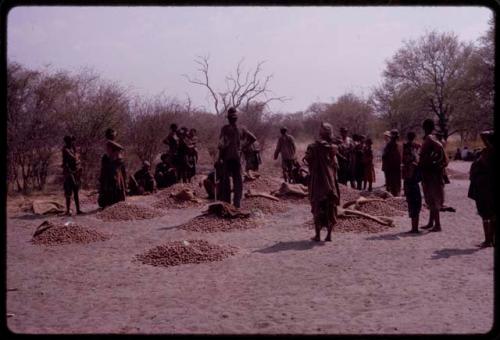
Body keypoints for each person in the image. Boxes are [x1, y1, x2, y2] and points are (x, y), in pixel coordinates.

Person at [304, 122, 340, 242]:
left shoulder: (313, 147)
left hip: (318, 181)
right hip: (330, 181)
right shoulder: (333, 148)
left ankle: (318, 235)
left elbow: (308, 160)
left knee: (317, 207)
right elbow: (336, 165)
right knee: (330, 207)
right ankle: (329, 235)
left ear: (321, 132)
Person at [419, 119, 448, 232]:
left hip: (432, 173)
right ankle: (431, 222)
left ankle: (438, 225)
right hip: (429, 172)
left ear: (424, 127)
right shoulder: (432, 138)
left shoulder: (430, 138)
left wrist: (433, 162)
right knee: (430, 198)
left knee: (433, 197)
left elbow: (440, 148)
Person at [468, 130, 495, 247]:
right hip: (487, 186)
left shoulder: (489, 152)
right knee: (492, 214)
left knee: (486, 215)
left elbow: (483, 134)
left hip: (485, 187)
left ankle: (488, 240)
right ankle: (491, 239)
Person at [218, 107, 244, 208]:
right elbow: (252, 138)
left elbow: (221, 145)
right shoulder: (241, 128)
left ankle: (227, 203)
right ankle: (237, 204)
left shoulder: (225, 129)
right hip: (236, 158)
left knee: (226, 181)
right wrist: (242, 148)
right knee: (237, 181)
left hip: (227, 158)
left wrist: (218, 158)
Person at [402, 131, 422, 233]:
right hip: (411, 181)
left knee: (414, 204)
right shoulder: (412, 155)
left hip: (411, 181)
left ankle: (415, 228)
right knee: (413, 204)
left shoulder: (412, 157)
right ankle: (414, 228)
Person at [98, 139, 127, 208]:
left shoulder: (118, 159)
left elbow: (119, 170)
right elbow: (104, 169)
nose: (107, 150)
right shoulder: (106, 158)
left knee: (116, 191)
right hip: (107, 179)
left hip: (114, 179)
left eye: (109, 148)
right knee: (105, 196)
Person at [62, 135, 83, 215]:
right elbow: (74, 158)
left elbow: (77, 159)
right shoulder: (65, 150)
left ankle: (78, 210)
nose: (72, 142)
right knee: (68, 192)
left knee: (76, 190)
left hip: (75, 172)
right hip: (68, 172)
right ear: (67, 141)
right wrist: (77, 157)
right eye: (71, 141)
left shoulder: (72, 149)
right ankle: (68, 210)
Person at [382, 129, 402, 196]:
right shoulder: (396, 145)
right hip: (393, 167)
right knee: (394, 183)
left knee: (392, 183)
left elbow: (384, 155)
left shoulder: (392, 145)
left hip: (393, 167)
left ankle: (393, 197)